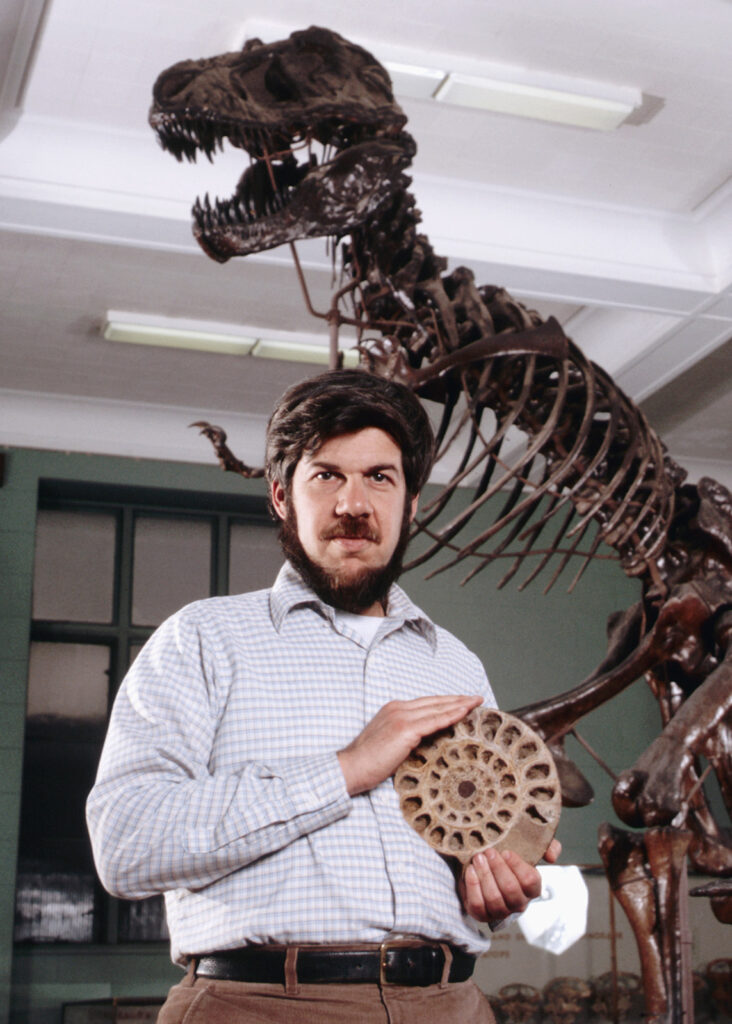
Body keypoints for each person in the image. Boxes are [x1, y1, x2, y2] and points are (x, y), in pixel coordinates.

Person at [87, 369, 560, 1024]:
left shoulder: (457, 664)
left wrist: (498, 883)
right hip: (256, 1006)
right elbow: (126, 844)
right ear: (282, 496)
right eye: (327, 476)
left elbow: (480, 858)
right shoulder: (202, 639)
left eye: (380, 478)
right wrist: (346, 770)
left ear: (412, 503)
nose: (354, 504)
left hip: (452, 1002)